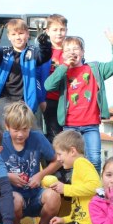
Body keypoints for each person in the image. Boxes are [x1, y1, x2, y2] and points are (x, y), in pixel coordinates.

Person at [44, 32, 113, 173]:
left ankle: (94, 193)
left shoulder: (95, 69)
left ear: (82, 52)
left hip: (91, 125)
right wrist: (64, 66)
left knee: (95, 159)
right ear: (63, 54)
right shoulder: (62, 72)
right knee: (72, 162)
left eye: (75, 49)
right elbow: (48, 86)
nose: (71, 52)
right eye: (67, 50)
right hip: (70, 126)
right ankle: (76, 192)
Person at [0, 101, 61, 224]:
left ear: (30, 126)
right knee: (14, 200)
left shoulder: (37, 138)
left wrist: (40, 175)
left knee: (54, 196)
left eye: (25, 129)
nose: (20, 135)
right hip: (12, 196)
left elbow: (58, 161)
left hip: (35, 194)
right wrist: (7, 176)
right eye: (16, 130)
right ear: (7, 126)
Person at [0, 18, 52, 130]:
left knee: (34, 133)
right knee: (9, 127)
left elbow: (45, 55)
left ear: (27, 34)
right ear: (9, 37)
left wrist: (44, 44)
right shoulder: (4, 53)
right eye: (14, 34)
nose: (18, 37)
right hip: (4, 100)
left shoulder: (33, 53)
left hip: (25, 101)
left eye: (21, 33)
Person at [47, 130, 100, 224]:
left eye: (59, 154)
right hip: (82, 223)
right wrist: (64, 220)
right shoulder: (77, 167)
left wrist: (65, 189)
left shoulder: (81, 163)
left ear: (72, 151)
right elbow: (79, 208)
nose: (58, 159)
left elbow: (95, 187)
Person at [38, 14, 68, 142]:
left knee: (67, 136)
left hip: (66, 100)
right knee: (53, 135)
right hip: (48, 99)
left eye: (62, 29)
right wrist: (41, 98)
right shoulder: (43, 51)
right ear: (47, 31)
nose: (59, 33)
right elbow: (38, 76)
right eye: (55, 30)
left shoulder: (71, 50)